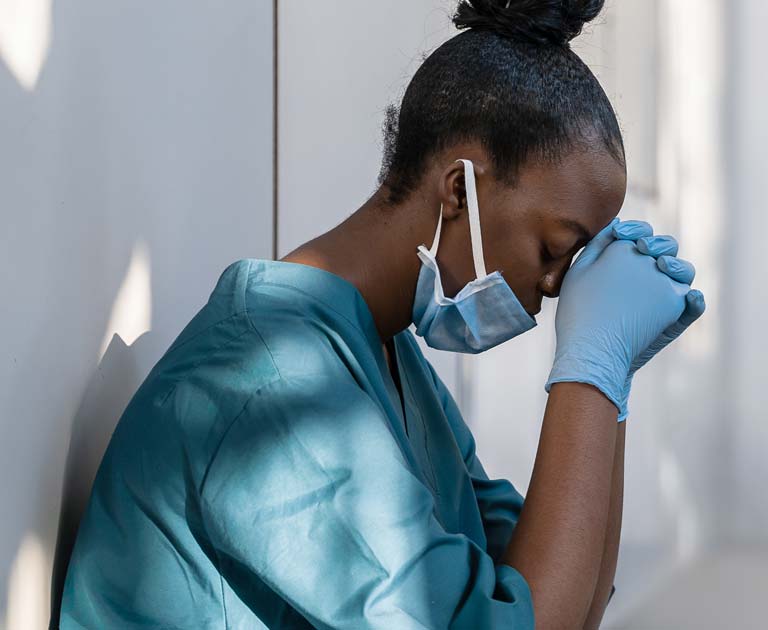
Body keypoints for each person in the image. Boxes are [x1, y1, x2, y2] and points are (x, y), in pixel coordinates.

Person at [59, 1, 705, 628]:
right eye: (557, 250)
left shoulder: (392, 361)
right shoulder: (270, 386)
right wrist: (593, 361)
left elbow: (565, 599)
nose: (561, 288)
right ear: (460, 188)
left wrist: (612, 383)